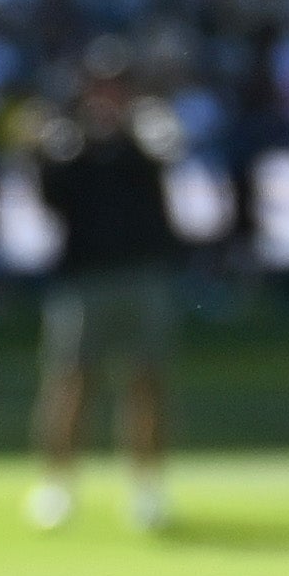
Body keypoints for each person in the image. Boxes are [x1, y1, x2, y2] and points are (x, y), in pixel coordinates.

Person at [26, 43, 187, 533]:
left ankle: (147, 487)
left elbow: (164, 159)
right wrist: (45, 148)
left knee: (145, 381)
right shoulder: (67, 138)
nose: (108, 93)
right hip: (83, 277)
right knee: (71, 380)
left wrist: (131, 133)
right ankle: (58, 484)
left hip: (142, 271)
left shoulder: (149, 131)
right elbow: (51, 198)